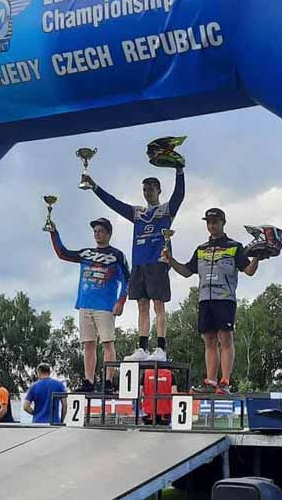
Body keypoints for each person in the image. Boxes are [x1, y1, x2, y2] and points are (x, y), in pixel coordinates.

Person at [82, 164, 184, 361]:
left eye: (151, 189)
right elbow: (114, 203)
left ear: (159, 190)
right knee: (142, 306)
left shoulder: (166, 210)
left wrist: (179, 171)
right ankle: (143, 348)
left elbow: (179, 194)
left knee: (159, 306)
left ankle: (161, 349)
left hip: (158, 262)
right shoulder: (138, 213)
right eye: (145, 189)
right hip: (139, 265)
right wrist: (94, 186)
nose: (147, 192)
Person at [164, 208, 259, 394]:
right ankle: (211, 382)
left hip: (224, 298)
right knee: (209, 339)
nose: (211, 225)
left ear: (223, 223)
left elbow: (249, 270)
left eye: (215, 222)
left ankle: (225, 382)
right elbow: (186, 271)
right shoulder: (201, 249)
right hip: (204, 299)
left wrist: (258, 255)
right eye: (208, 222)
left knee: (225, 337)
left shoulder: (234, 246)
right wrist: (170, 260)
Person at [49, 217, 129, 393]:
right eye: (95, 231)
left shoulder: (117, 255)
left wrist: (121, 301)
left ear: (109, 233)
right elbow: (62, 253)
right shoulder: (86, 253)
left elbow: (127, 279)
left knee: (108, 342)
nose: (97, 234)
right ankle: (89, 381)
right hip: (85, 304)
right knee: (88, 344)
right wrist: (54, 233)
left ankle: (108, 382)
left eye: (101, 231)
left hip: (106, 305)